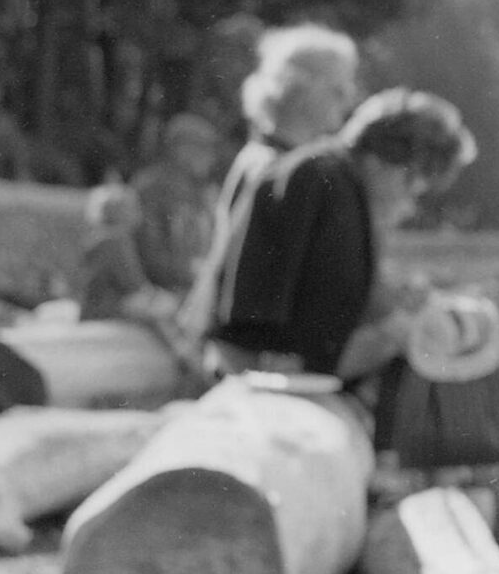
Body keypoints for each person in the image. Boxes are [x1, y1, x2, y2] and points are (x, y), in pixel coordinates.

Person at [215, 88, 475, 400]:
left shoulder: (341, 182)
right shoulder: (321, 179)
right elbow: (275, 327)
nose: (411, 197)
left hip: (292, 370)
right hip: (270, 377)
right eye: (412, 180)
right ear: (386, 157)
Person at [178, 24, 362, 356]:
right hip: (244, 349)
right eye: (338, 90)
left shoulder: (275, 159)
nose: (349, 100)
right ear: (300, 89)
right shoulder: (271, 166)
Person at [129, 112, 223, 304]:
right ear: (182, 150)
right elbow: (149, 254)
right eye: (205, 149)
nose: (212, 158)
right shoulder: (150, 189)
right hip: (160, 292)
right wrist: (194, 272)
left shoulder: (206, 194)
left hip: (196, 291)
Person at [76, 184, 176, 327]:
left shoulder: (101, 237)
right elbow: (133, 283)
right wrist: (154, 295)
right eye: (133, 207)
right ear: (119, 211)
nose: (139, 212)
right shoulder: (116, 240)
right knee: (165, 307)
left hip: (93, 307)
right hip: (105, 310)